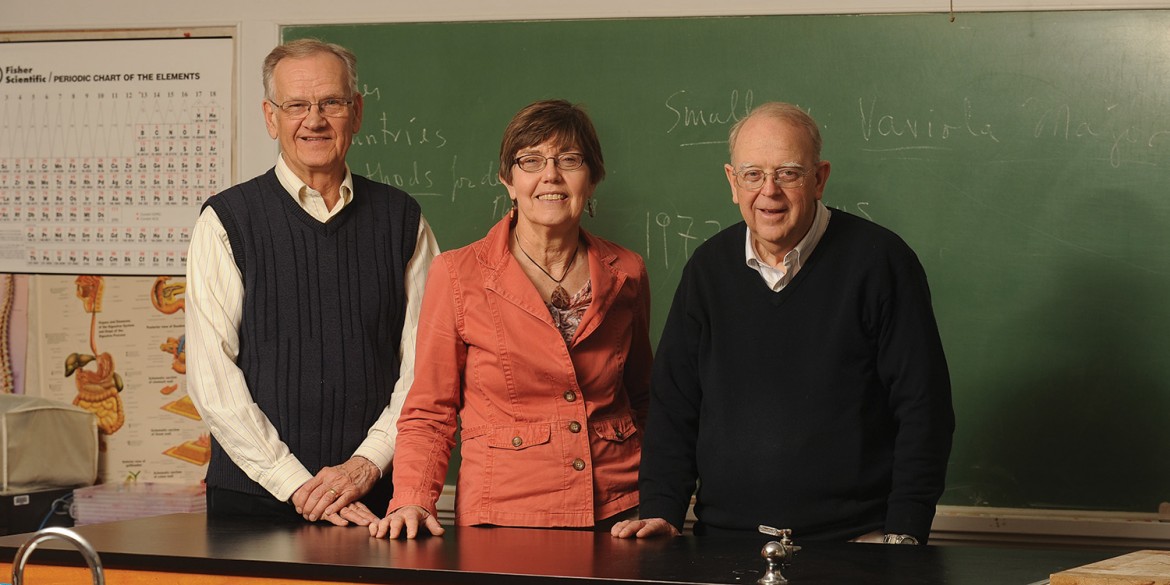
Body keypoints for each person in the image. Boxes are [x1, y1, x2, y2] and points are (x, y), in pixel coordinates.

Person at [612, 102, 954, 544]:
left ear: (820, 178)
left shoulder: (881, 263)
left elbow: (924, 407)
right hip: (723, 544)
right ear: (732, 183)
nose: (768, 191)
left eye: (788, 172)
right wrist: (662, 508)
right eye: (752, 174)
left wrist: (905, 531)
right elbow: (674, 406)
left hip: (858, 545)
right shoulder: (707, 269)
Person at [370, 99, 652, 539]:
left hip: (619, 512)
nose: (551, 176)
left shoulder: (628, 271)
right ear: (508, 179)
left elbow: (643, 400)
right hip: (503, 513)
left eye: (570, 160)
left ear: (593, 178)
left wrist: (660, 497)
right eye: (531, 161)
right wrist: (412, 497)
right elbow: (430, 409)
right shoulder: (457, 274)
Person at [186, 39, 439, 526]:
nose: (314, 119)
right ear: (270, 117)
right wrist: (296, 485)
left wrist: (367, 464)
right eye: (296, 105)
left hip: (381, 500)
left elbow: (426, 366)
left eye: (331, 103)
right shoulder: (226, 221)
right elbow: (211, 379)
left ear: (357, 111)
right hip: (253, 501)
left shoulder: (403, 219)